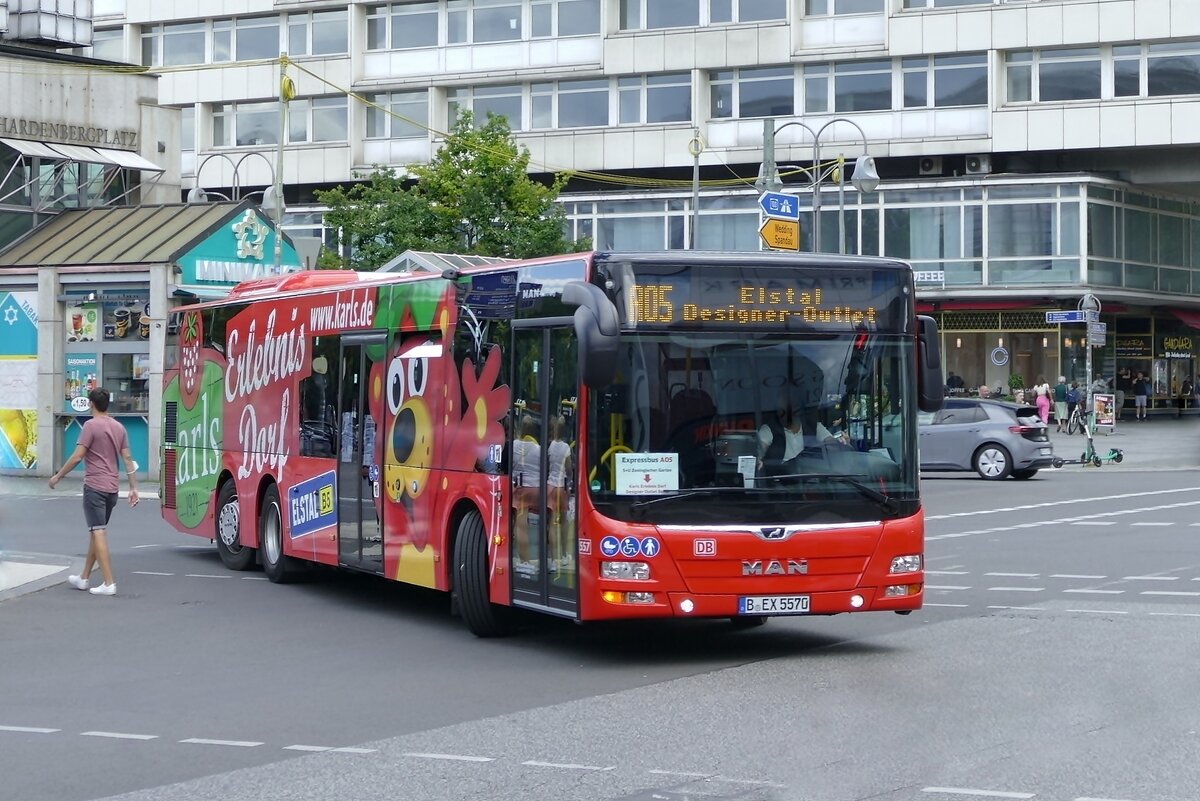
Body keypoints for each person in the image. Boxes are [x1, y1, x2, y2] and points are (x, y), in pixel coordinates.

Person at [48, 387, 140, 596]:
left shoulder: (90, 426)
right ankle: (84, 578)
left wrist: (58, 476)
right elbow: (127, 459)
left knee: (98, 531)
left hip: (95, 487)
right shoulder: (119, 427)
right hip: (112, 489)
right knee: (96, 531)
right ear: (108, 404)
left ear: (91, 404)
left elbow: (78, 456)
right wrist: (133, 487)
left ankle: (109, 583)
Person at [510, 415, 541, 574]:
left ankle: (524, 561)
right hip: (536, 489)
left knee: (520, 525)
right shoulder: (538, 449)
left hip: (520, 489)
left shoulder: (514, 445)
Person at [545, 416, 572, 573]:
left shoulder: (550, 446)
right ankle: (563, 555)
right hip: (561, 487)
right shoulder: (566, 448)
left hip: (550, 485)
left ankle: (553, 560)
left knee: (552, 524)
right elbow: (569, 469)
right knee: (563, 522)